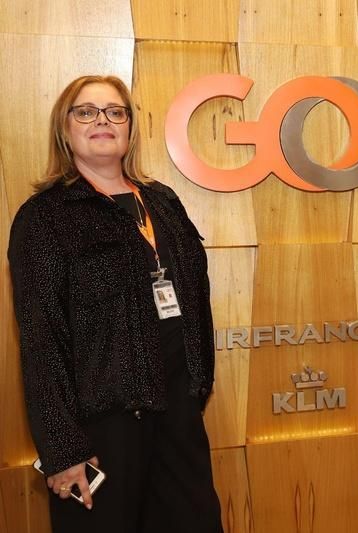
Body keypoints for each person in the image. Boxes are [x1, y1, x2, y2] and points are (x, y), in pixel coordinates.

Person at [8, 75, 223, 533]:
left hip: (178, 415)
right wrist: (63, 448)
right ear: (64, 129)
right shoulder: (45, 216)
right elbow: (42, 340)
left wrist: (197, 384)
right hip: (101, 430)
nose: (102, 121)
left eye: (114, 112)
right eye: (86, 112)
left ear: (129, 127)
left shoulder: (163, 202)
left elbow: (195, 299)